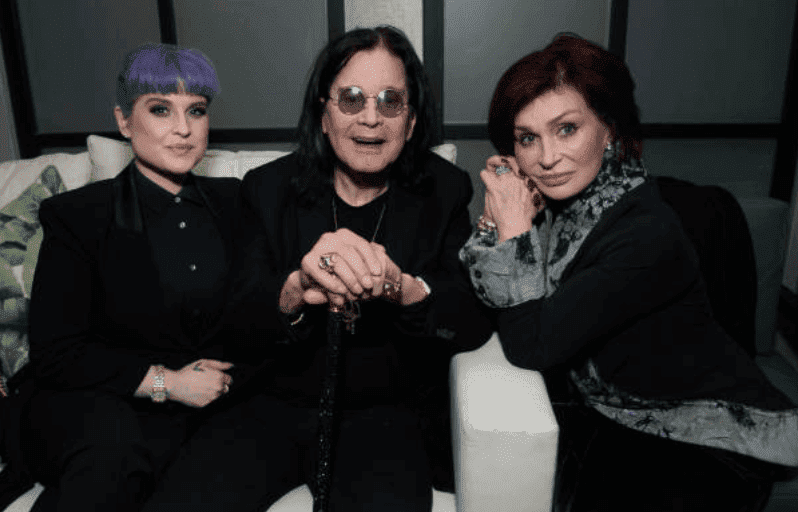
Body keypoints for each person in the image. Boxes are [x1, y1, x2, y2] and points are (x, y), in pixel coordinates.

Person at [142, 26, 491, 511]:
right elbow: (233, 318)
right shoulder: (266, 189)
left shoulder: (445, 189)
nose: (371, 118)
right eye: (351, 98)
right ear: (324, 114)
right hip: (268, 403)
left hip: (383, 417)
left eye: (391, 101)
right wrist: (294, 289)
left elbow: (468, 316)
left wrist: (403, 288)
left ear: (410, 123)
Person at [459, 34, 798, 512]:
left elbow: (531, 345)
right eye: (527, 138)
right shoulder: (570, 207)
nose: (547, 158)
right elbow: (488, 300)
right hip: (618, 413)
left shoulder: (645, 230)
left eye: (567, 129)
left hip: (705, 438)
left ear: (609, 129)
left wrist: (514, 231)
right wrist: (502, 220)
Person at [9, 43, 242, 511]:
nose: (183, 128)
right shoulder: (78, 216)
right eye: (160, 109)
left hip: (184, 413)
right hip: (81, 400)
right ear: (123, 122)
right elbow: (58, 355)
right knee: (113, 455)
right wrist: (167, 383)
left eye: (196, 110)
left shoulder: (235, 202)